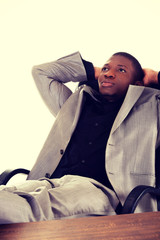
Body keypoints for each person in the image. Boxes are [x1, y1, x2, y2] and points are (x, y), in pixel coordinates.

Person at [0, 51, 160, 224]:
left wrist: (155, 77)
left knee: (30, 208)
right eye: (106, 68)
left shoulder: (152, 109)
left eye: (121, 70)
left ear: (137, 84)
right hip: (50, 180)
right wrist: (95, 72)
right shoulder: (75, 103)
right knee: (6, 193)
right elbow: (41, 72)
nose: (109, 73)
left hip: (98, 190)